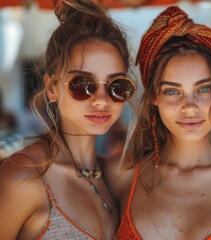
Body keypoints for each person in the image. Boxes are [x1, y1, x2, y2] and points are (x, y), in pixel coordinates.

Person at [106, 6, 211, 239]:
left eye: (204, 89)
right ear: (154, 98)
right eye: (172, 91)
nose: (189, 106)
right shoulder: (120, 174)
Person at [0, 0, 136, 239]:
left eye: (117, 86)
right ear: (52, 87)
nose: (101, 101)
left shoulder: (109, 175)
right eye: (82, 85)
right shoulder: (25, 175)